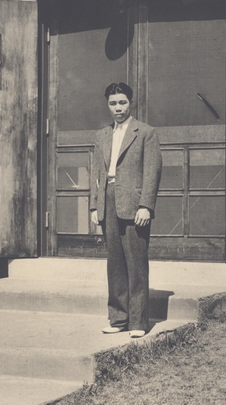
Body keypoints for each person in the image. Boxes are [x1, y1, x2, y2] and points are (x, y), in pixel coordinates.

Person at [90, 82, 162, 338]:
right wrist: (94, 205)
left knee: (136, 262)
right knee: (115, 263)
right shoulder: (102, 136)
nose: (117, 107)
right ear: (107, 105)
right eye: (112, 103)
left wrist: (146, 205)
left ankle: (138, 322)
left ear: (130, 103)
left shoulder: (145, 133)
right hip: (108, 201)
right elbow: (97, 173)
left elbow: (152, 172)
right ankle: (118, 318)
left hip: (134, 204)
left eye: (122, 102)